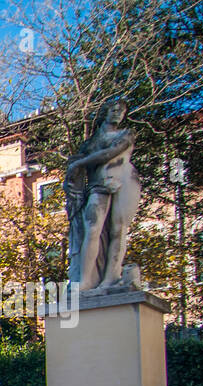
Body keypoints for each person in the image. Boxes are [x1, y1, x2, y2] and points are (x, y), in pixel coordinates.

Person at [65, 99, 140, 292]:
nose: (117, 113)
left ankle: (110, 278)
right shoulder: (90, 144)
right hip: (98, 185)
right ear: (104, 112)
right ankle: (86, 280)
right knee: (92, 229)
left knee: (118, 230)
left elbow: (110, 153)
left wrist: (79, 164)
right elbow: (76, 169)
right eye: (114, 109)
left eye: (121, 111)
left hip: (124, 181)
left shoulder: (126, 134)